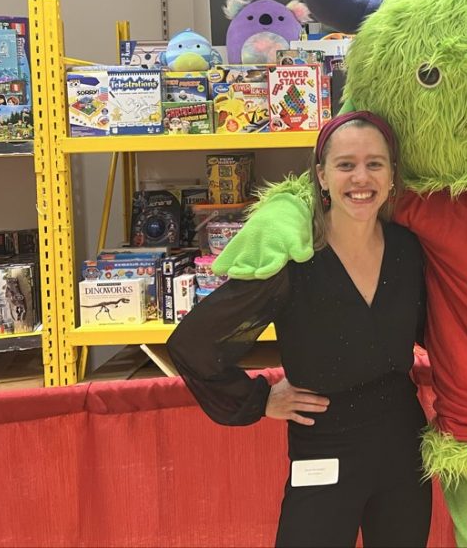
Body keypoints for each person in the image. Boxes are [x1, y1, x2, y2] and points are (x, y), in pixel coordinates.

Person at [167, 111, 431, 548]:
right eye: (345, 165)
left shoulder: (407, 249)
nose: (361, 178)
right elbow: (194, 344)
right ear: (321, 176)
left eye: (375, 164)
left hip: (403, 446)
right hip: (324, 444)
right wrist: (260, 399)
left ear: (392, 176)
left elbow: (440, 329)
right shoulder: (295, 258)